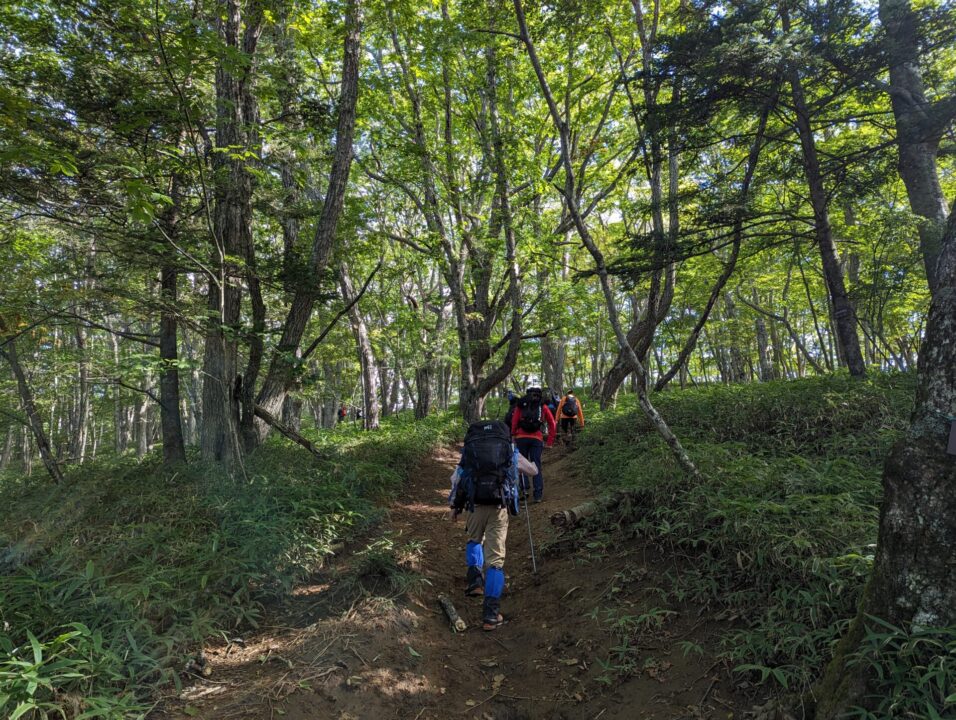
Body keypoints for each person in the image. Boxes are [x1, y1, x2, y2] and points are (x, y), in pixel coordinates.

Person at [448, 421, 538, 631]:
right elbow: (532, 471)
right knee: (496, 561)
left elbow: (457, 478)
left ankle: (475, 583)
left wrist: (455, 506)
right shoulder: (509, 450)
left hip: (474, 505)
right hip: (498, 507)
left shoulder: (471, 451)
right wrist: (530, 464)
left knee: (474, 540)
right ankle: (490, 615)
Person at [510, 382, 556, 503]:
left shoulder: (521, 405)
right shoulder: (543, 406)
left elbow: (514, 421)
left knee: (521, 465)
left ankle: (524, 490)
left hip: (521, 438)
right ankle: (538, 494)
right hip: (537, 438)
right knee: (536, 465)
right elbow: (552, 423)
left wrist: (513, 434)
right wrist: (550, 441)